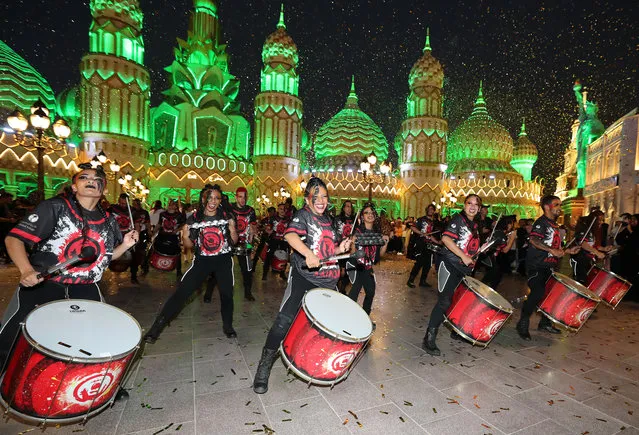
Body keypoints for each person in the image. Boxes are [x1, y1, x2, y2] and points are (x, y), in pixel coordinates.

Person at [0, 164, 138, 363]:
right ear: (74, 187)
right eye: (84, 177)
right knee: (16, 334)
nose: (91, 180)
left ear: (105, 189)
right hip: (45, 283)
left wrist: (125, 245)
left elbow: (105, 257)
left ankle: (92, 378)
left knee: (95, 336)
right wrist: (26, 270)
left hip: (86, 288)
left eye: (97, 178)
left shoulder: (109, 221)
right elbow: (13, 239)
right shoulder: (56, 207)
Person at [252, 178, 351, 394]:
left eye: (324, 196)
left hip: (328, 279)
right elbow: (290, 235)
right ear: (308, 198)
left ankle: (318, 362)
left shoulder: (330, 221)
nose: (321, 200)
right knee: (284, 320)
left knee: (334, 325)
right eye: (316, 196)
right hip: (304, 277)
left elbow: (326, 249)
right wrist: (307, 254)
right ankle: (264, 366)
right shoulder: (302, 215)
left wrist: (339, 248)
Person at [144, 184, 239, 342]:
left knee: (227, 295)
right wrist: (186, 236)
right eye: (209, 197)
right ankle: (155, 329)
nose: (213, 201)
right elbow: (189, 246)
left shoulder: (226, 215)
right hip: (202, 261)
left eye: (216, 198)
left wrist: (233, 229)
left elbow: (233, 241)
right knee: (182, 292)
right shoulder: (194, 219)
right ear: (203, 199)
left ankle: (228, 326)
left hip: (223, 261)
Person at [422, 195, 482, 356]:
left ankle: (456, 331)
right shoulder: (458, 219)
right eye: (470, 203)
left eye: (476, 204)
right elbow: (446, 238)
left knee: (458, 301)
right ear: (464, 205)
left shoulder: (474, 224)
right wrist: (463, 256)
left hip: (463, 269)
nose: (473, 207)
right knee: (445, 301)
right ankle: (428, 338)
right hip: (449, 265)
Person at [515, 195, 580, 340]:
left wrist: (567, 251)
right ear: (546, 207)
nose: (560, 208)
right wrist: (551, 250)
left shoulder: (554, 224)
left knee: (550, 295)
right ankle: (523, 322)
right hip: (537, 266)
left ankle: (545, 323)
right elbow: (534, 239)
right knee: (537, 292)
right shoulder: (541, 223)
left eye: (560, 205)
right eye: (556, 205)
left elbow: (554, 246)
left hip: (550, 266)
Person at [206, 187, 256, 302]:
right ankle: (208, 293)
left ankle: (248, 293)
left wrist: (252, 243)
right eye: (240, 196)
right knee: (218, 268)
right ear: (236, 197)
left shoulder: (251, 210)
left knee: (247, 270)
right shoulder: (229, 208)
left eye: (245, 197)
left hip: (244, 244)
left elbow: (253, 227)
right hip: (228, 242)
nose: (243, 199)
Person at [347, 203, 389, 323]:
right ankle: (348, 318)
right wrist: (353, 244)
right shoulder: (358, 231)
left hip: (367, 266)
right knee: (355, 292)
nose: (370, 215)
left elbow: (379, 255)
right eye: (367, 212)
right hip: (357, 265)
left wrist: (386, 243)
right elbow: (352, 251)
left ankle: (364, 318)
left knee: (370, 292)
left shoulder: (377, 233)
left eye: (372, 212)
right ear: (362, 216)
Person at [570, 210, 613, 284]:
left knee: (588, 282)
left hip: (589, 259)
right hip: (580, 258)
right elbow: (583, 243)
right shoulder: (584, 228)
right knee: (580, 282)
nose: (601, 222)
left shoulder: (593, 230)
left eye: (602, 220)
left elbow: (593, 245)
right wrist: (597, 252)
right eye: (599, 220)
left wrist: (603, 248)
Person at [109, 193, 141, 284]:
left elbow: (137, 225)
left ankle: (133, 276)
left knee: (134, 257)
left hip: (128, 236)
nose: (123, 205)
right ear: (119, 201)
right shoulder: (112, 209)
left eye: (124, 204)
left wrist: (136, 235)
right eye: (121, 203)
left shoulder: (133, 211)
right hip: (115, 236)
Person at [407, 204, 441, 288]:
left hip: (429, 246)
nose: (430, 210)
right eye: (429, 209)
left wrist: (437, 242)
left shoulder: (434, 222)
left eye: (432, 209)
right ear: (427, 210)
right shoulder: (421, 219)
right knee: (419, 263)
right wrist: (422, 233)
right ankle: (410, 280)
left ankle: (423, 281)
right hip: (421, 244)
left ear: (434, 211)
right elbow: (412, 228)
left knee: (428, 264)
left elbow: (431, 235)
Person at [481, 216, 516, 290]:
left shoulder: (498, 232)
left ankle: (484, 290)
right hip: (489, 257)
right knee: (495, 276)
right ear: (507, 224)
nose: (512, 226)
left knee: (493, 276)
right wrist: (512, 238)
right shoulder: (500, 234)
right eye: (511, 224)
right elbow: (505, 250)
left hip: (489, 257)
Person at [154, 199, 186, 278]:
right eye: (169, 204)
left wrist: (177, 230)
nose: (170, 206)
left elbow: (183, 224)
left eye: (172, 204)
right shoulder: (162, 214)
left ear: (175, 206)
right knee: (156, 248)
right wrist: (153, 231)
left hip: (173, 236)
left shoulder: (179, 215)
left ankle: (178, 271)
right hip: (162, 235)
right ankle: (155, 264)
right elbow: (159, 224)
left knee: (177, 252)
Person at [261, 203, 290, 281]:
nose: (282, 211)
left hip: (284, 241)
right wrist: (268, 230)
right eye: (280, 209)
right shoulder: (273, 218)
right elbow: (267, 227)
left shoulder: (288, 220)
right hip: (274, 240)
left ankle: (282, 273)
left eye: (284, 209)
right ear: (278, 210)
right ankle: (265, 274)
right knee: (269, 256)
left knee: (285, 256)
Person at [335, 200, 356, 293]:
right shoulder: (337, 219)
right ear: (343, 208)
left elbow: (356, 234)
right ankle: (336, 287)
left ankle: (343, 288)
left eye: (350, 206)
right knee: (339, 270)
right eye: (347, 206)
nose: (349, 208)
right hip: (339, 247)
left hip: (349, 248)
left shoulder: (354, 220)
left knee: (348, 270)